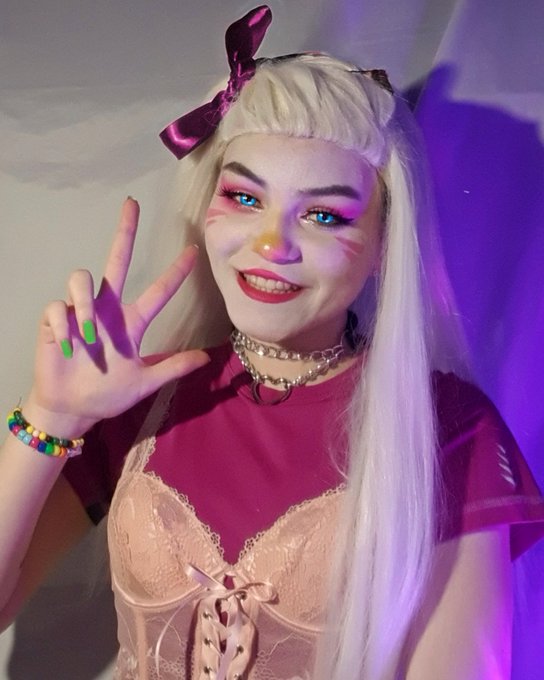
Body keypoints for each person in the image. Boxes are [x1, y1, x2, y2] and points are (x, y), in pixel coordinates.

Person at [1, 5, 543, 679]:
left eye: (322, 215)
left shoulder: (448, 429)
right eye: (246, 198)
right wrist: (51, 416)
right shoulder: (138, 397)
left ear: (383, 242)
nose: (270, 245)